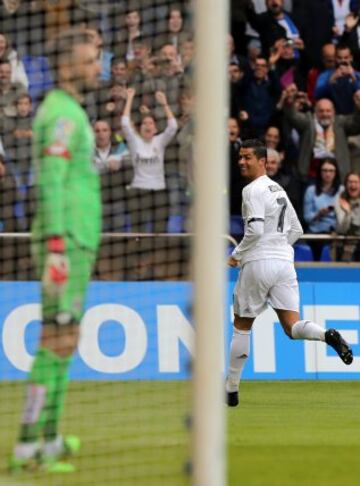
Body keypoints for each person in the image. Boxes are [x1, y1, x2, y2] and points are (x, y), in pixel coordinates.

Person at [9, 28, 101, 473]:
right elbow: (50, 181)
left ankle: (49, 437)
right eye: (88, 60)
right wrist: (57, 248)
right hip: (64, 244)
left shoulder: (72, 110)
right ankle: (28, 443)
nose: (96, 67)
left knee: (66, 340)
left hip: (77, 242)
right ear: (65, 64)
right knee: (54, 340)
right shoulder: (60, 114)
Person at [226, 139, 353, 407]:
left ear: (262, 161)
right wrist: (278, 248)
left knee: (241, 326)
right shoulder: (279, 190)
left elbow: (255, 231)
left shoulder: (252, 190)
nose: (241, 161)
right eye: (240, 157)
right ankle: (326, 335)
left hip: (259, 262)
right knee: (292, 327)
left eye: (247, 157)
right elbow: (295, 229)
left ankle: (231, 390)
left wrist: (237, 255)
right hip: (284, 263)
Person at [121, 87, 177, 233]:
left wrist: (164, 103)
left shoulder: (160, 141)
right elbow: (125, 123)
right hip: (139, 191)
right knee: (137, 232)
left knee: (160, 231)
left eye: (151, 123)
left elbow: (173, 126)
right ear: (139, 128)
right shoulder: (135, 142)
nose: (147, 125)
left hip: (159, 191)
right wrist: (129, 99)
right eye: (144, 123)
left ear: (155, 128)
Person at [303, 158, 343, 260]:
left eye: (331, 171)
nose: (328, 174)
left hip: (336, 233)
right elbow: (307, 218)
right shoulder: (311, 190)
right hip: (315, 233)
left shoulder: (342, 190)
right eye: (324, 170)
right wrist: (319, 214)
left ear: (336, 172)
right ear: (319, 172)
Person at [334, 171, 360, 261]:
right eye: (350, 182)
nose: (353, 185)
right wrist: (348, 212)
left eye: (356, 182)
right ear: (345, 185)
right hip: (344, 246)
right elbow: (342, 228)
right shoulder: (339, 200)